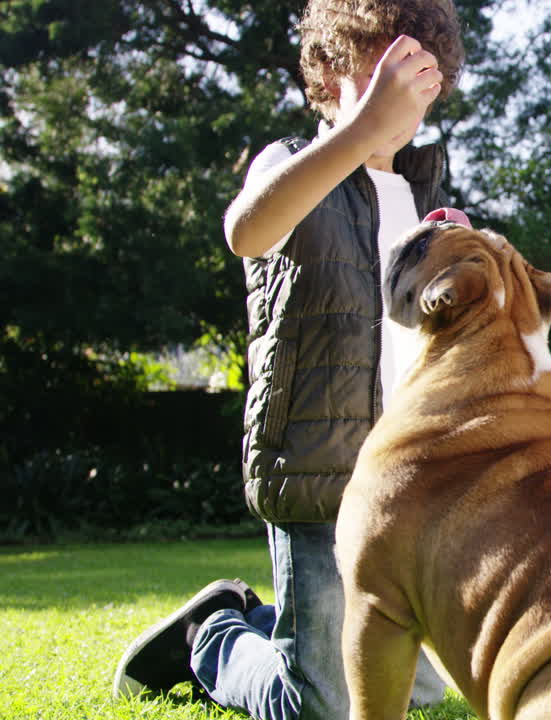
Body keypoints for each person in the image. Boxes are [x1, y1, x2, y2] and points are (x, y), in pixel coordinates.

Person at [111, 1, 465, 717]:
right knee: (321, 706)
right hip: (316, 466)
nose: (399, 101)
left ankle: (278, 625)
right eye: (379, 77)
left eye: (417, 80)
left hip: (396, 482)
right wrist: (360, 128)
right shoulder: (291, 167)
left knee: (416, 694)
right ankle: (208, 635)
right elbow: (246, 230)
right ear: (331, 74)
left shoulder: (422, 195)